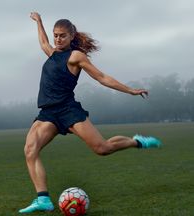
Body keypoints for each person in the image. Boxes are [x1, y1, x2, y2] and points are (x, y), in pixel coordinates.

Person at [19, 12, 161, 213]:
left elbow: (102, 77)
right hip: (48, 113)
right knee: (30, 149)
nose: (57, 39)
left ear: (71, 36)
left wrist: (130, 90)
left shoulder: (76, 57)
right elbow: (43, 42)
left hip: (68, 110)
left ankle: (137, 141)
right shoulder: (52, 53)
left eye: (62, 35)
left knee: (102, 148)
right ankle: (43, 199)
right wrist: (39, 22)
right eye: (55, 35)